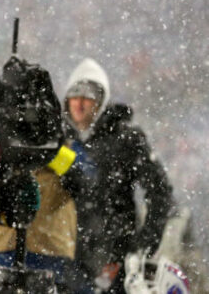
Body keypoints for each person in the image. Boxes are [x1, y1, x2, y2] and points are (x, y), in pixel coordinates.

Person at [0, 63, 97, 293]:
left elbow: (86, 182)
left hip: (50, 251)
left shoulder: (62, 143)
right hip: (2, 245)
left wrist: (50, 151)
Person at [62, 58, 174, 293]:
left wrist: (144, 245)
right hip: (65, 256)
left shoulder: (126, 139)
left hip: (114, 260)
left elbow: (160, 190)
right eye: (75, 96)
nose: (80, 104)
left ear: (101, 102)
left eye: (88, 98)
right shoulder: (58, 140)